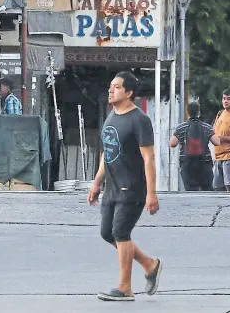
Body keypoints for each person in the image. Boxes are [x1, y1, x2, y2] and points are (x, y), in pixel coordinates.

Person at [88, 71, 162, 302]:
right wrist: (96, 182)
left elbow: (148, 158)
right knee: (107, 233)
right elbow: (106, 154)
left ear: (129, 93)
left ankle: (125, 287)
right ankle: (149, 264)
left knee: (121, 233)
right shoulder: (111, 117)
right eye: (111, 86)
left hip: (132, 187)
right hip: (111, 187)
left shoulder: (139, 120)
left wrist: (152, 193)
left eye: (117, 87)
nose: (111, 90)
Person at [170, 102, 221, 191]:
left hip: (187, 164)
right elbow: (217, 142)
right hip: (205, 163)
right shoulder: (207, 127)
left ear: (187, 112)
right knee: (207, 190)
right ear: (199, 112)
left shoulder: (181, 127)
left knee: (191, 191)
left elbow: (172, 144)